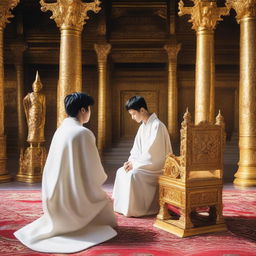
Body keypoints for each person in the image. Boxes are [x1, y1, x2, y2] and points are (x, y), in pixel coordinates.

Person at [14, 92, 117, 253]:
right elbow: (94, 172)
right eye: (89, 109)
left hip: (53, 198)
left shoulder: (60, 130)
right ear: (83, 110)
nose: (90, 112)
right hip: (73, 202)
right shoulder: (83, 133)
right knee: (105, 203)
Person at [112, 96, 172, 217]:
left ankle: (137, 209)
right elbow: (136, 150)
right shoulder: (142, 127)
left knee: (134, 175)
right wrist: (130, 162)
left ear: (142, 110)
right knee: (121, 171)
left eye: (134, 114)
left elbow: (154, 154)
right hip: (143, 164)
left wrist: (135, 164)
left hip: (156, 167)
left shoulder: (157, 126)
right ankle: (122, 207)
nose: (132, 117)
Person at [23, 71, 46, 143]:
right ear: (33, 87)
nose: (36, 87)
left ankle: (39, 142)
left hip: (39, 114)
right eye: (35, 86)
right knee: (32, 128)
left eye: (38, 86)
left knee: (39, 128)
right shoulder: (30, 95)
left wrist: (43, 117)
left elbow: (44, 107)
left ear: (40, 87)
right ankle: (31, 142)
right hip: (32, 114)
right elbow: (25, 101)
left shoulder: (42, 96)